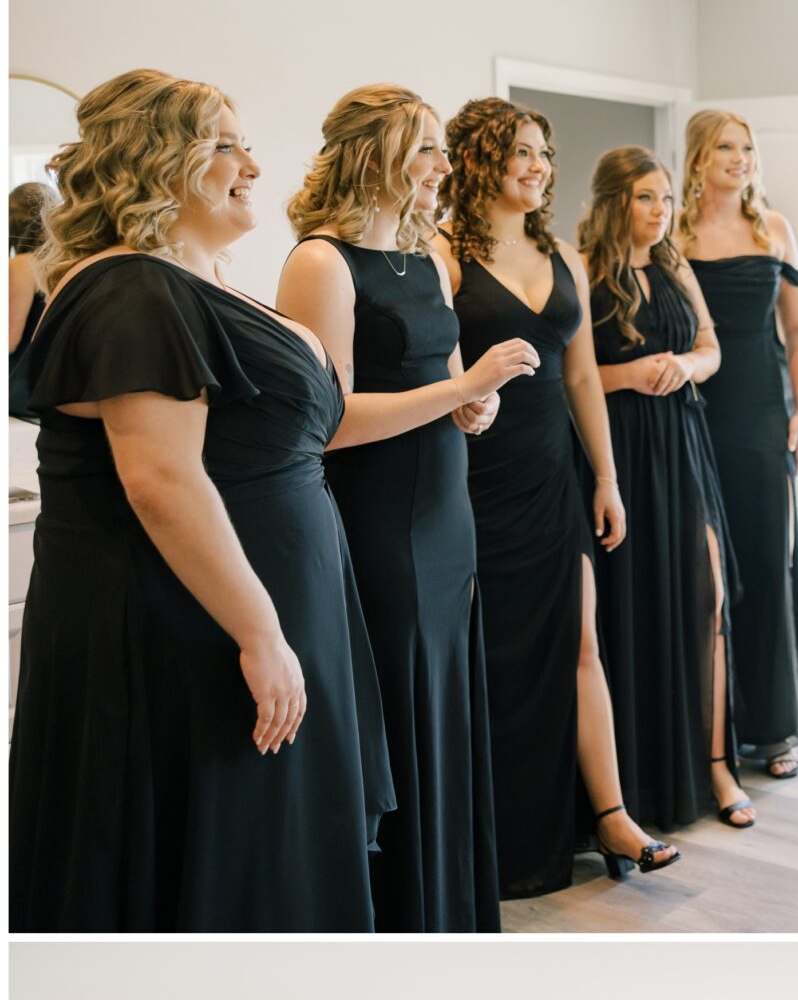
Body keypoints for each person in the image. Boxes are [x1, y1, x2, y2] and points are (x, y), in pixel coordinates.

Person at [10, 68, 392, 932]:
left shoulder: (188, 280)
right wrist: (261, 634)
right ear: (157, 161)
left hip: (257, 611)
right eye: (228, 144)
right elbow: (161, 479)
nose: (254, 164)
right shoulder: (131, 288)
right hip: (188, 633)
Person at [279, 85, 538, 933]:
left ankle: (450, 910)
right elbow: (329, 421)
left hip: (446, 515)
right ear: (375, 155)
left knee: (446, 702)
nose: (444, 165)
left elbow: (451, 383)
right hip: (375, 517)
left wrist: (479, 404)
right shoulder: (320, 262)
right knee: (394, 698)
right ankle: (396, 918)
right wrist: (461, 387)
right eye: (425, 147)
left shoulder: (426, 259)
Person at [439, 98, 677, 897]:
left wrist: (605, 478)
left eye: (543, 153)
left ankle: (610, 816)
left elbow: (580, 376)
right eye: (520, 154)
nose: (539, 167)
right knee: (489, 659)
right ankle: (494, 835)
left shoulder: (562, 255)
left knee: (579, 643)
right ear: (477, 163)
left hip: (554, 476)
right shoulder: (442, 257)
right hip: (474, 479)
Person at [578, 147, 753, 835]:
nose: (660, 212)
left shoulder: (675, 264)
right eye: (646, 198)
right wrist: (628, 376)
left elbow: (711, 348)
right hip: (619, 447)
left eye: (667, 199)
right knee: (635, 607)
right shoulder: (584, 269)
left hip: (682, 444)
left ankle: (715, 764)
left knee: (706, 596)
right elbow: (571, 373)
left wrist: (682, 365)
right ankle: (639, 781)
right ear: (614, 201)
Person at [676, 109, 798, 779]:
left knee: (764, 563)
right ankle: (708, 731)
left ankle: (773, 729)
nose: (740, 158)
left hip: (762, 416)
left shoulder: (774, 229)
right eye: (726, 147)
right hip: (695, 416)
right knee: (705, 576)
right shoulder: (671, 233)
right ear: (698, 158)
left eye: (748, 148)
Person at [9, 181, 50, 420]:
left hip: (19, 387)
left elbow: (10, 339)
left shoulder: (23, 264)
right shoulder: (62, 261)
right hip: (45, 384)